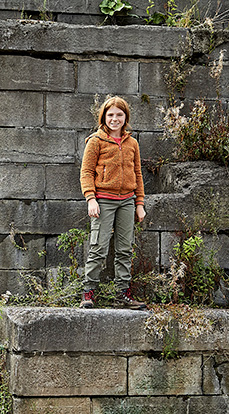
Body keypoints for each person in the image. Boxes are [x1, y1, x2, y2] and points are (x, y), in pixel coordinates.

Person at [79, 96, 147, 310]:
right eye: (110, 115)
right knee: (98, 248)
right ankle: (88, 293)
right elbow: (86, 172)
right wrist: (91, 198)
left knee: (125, 249)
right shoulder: (95, 141)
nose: (114, 119)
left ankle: (122, 294)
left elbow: (138, 173)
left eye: (119, 114)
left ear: (125, 117)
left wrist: (139, 203)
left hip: (127, 202)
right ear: (103, 117)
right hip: (104, 201)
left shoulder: (132, 143)